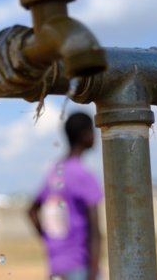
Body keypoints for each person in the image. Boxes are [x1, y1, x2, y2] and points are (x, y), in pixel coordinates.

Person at [28, 112, 104, 280]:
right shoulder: (84, 175)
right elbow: (95, 232)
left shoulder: (55, 171)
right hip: (80, 266)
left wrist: (50, 240)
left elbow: (31, 211)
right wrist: (93, 274)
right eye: (93, 130)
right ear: (85, 135)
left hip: (56, 267)